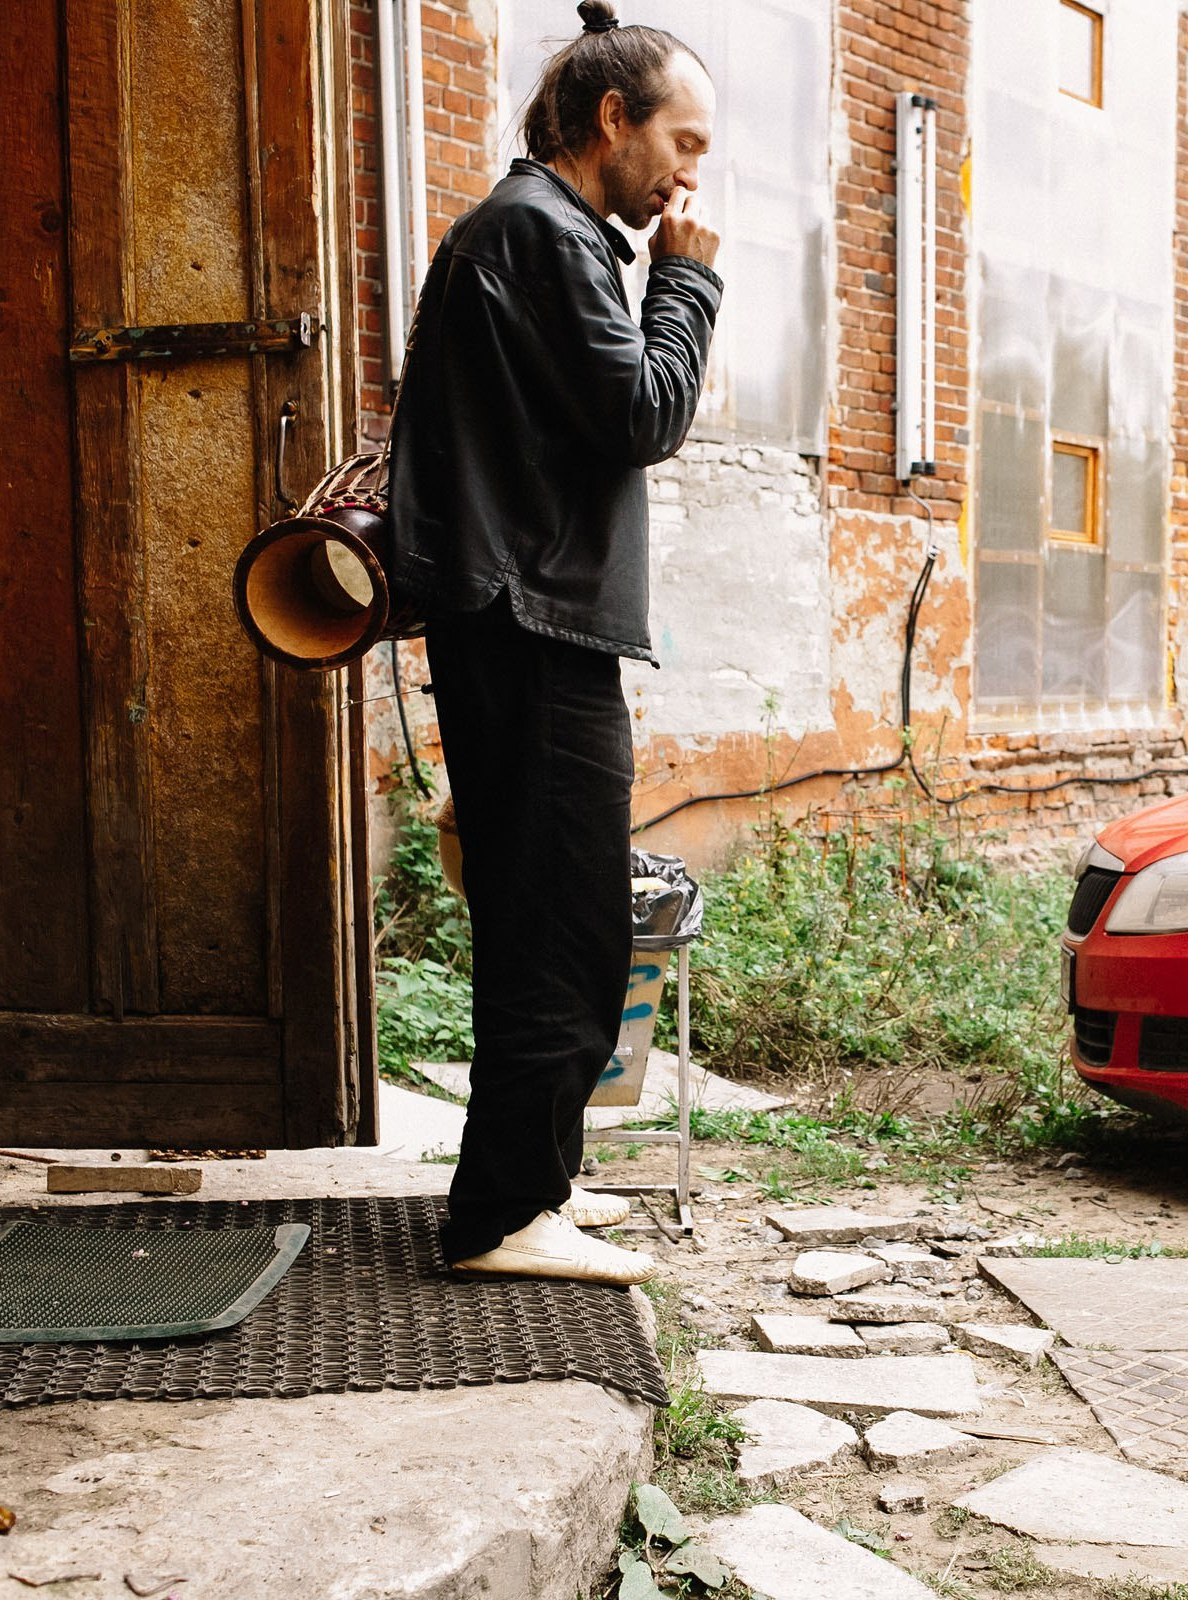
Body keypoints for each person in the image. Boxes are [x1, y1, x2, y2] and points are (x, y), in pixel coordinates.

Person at [387, 0, 721, 1285]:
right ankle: (502, 1215)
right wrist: (687, 278)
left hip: (530, 619)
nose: (689, 175)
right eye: (679, 143)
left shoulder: (541, 230)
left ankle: (533, 1185)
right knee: (556, 926)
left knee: (563, 919)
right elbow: (643, 412)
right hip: (526, 625)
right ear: (610, 120)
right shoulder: (542, 231)